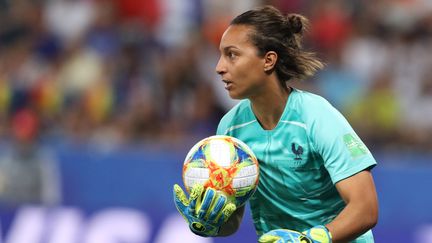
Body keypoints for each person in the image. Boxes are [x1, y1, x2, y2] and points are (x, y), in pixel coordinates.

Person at [174, 5, 378, 243]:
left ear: (268, 60)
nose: (219, 67)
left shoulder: (316, 117)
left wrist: (311, 240)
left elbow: (366, 209)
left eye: (232, 54)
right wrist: (212, 221)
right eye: (220, 55)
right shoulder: (231, 127)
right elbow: (234, 219)